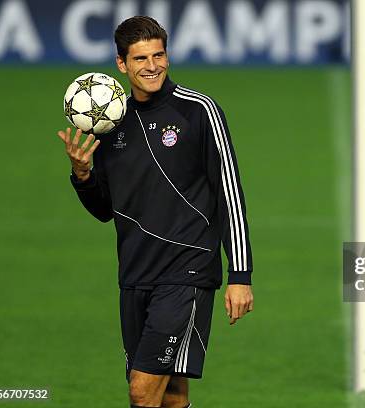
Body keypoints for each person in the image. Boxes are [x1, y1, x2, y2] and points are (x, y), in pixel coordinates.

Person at [56, 16, 253, 408]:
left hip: (187, 271)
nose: (152, 65)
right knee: (172, 396)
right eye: (141, 58)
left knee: (142, 393)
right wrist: (82, 175)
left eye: (159, 54)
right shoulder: (110, 123)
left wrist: (240, 275)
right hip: (134, 275)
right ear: (121, 65)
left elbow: (229, 192)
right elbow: (104, 210)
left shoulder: (199, 110)